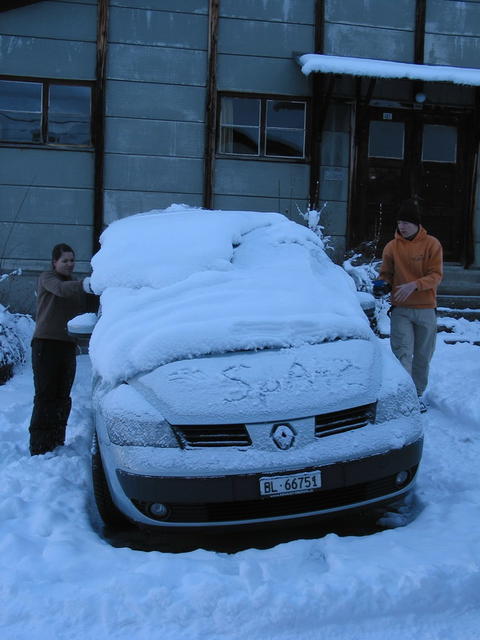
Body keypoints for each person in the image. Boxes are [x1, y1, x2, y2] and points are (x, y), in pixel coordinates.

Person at [377, 199, 443, 412]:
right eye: (399, 223)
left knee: (423, 356)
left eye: (406, 222)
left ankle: (417, 394)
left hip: (426, 309)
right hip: (401, 310)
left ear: (417, 224)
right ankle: (403, 396)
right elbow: (386, 274)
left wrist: (415, 284)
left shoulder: (432, 244)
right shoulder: (392, 247)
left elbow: (436, 276)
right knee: (402, 353)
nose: (401, 227)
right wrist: (383, 285)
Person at [28, 243, 94, 456]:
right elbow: (61, 290)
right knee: (46, 395)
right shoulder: (48, 278)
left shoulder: (75, 285)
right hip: (45, 344)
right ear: (54, 262)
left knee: (62, 396)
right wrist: (86, 284)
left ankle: (57, 440)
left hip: (67, 346)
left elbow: (89, 307)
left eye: (72, 260)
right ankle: (39, 446)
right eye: (65, 260)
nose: (70, 264)